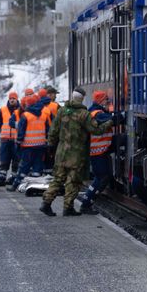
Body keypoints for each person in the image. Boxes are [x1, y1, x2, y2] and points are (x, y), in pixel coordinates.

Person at [39, 85, 92, 217]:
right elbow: (95, 129)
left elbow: (53, 130)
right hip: (76, 153)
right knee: (72, 180)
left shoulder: (62, 111)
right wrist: (109, 123)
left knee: (57, 179)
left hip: (61, 152)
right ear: (82, 99)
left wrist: (51, 145)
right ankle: (68, 208)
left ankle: (46, 204)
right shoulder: (84, 114)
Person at [78, 91, 115, 214]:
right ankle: (86, 203)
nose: (107, 103)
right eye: (106, 100)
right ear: (100, 101)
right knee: (101, 178)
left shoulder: (94, 112)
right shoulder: (97, 114)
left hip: (98, 151)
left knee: (102, 177)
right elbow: (112, 120)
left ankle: (88, 201)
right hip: (97, 152)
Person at [7, 95, 47, 191]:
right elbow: (48, 129)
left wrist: (19, 142)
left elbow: (21, 131)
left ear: (28, 104)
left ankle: (16, 184)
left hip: (28, 146)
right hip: (41, 145)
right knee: (38, 166)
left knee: (24, 166)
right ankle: (36, 186)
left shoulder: (26, 115)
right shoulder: (43, 114)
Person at [0, 92, 21, 186]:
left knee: (16, 161)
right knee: (4, 161)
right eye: (11, 98)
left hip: (16, 140)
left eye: (14, 98)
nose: (12, 100)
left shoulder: (21, 110)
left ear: (17, 99)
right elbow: (0, 123)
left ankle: (14, 179)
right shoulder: (3, 110)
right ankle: (1, 179)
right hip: (5, 140)